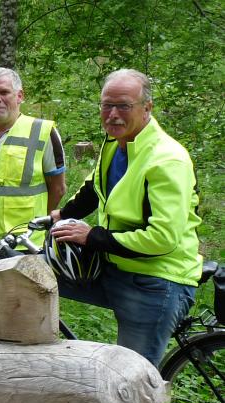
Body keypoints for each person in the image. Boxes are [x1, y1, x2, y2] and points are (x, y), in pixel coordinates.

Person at [49, 69, 201, 366]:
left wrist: (91, 236)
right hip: (116, 265)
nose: (113, 114)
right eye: (107, 105)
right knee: (31, 271)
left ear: (147, 108)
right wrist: (60, 215)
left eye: (123, 106)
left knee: (132, 378)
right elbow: (95, 187)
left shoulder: (166, 159)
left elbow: (162, 239)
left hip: (155, 279)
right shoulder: (115, 143)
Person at [0, 67, 66, 303]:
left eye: (4, 92)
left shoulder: (43, 132)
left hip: (24, 243)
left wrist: (37, 222)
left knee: (24, 313)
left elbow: (58, 187)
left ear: (20, 96)